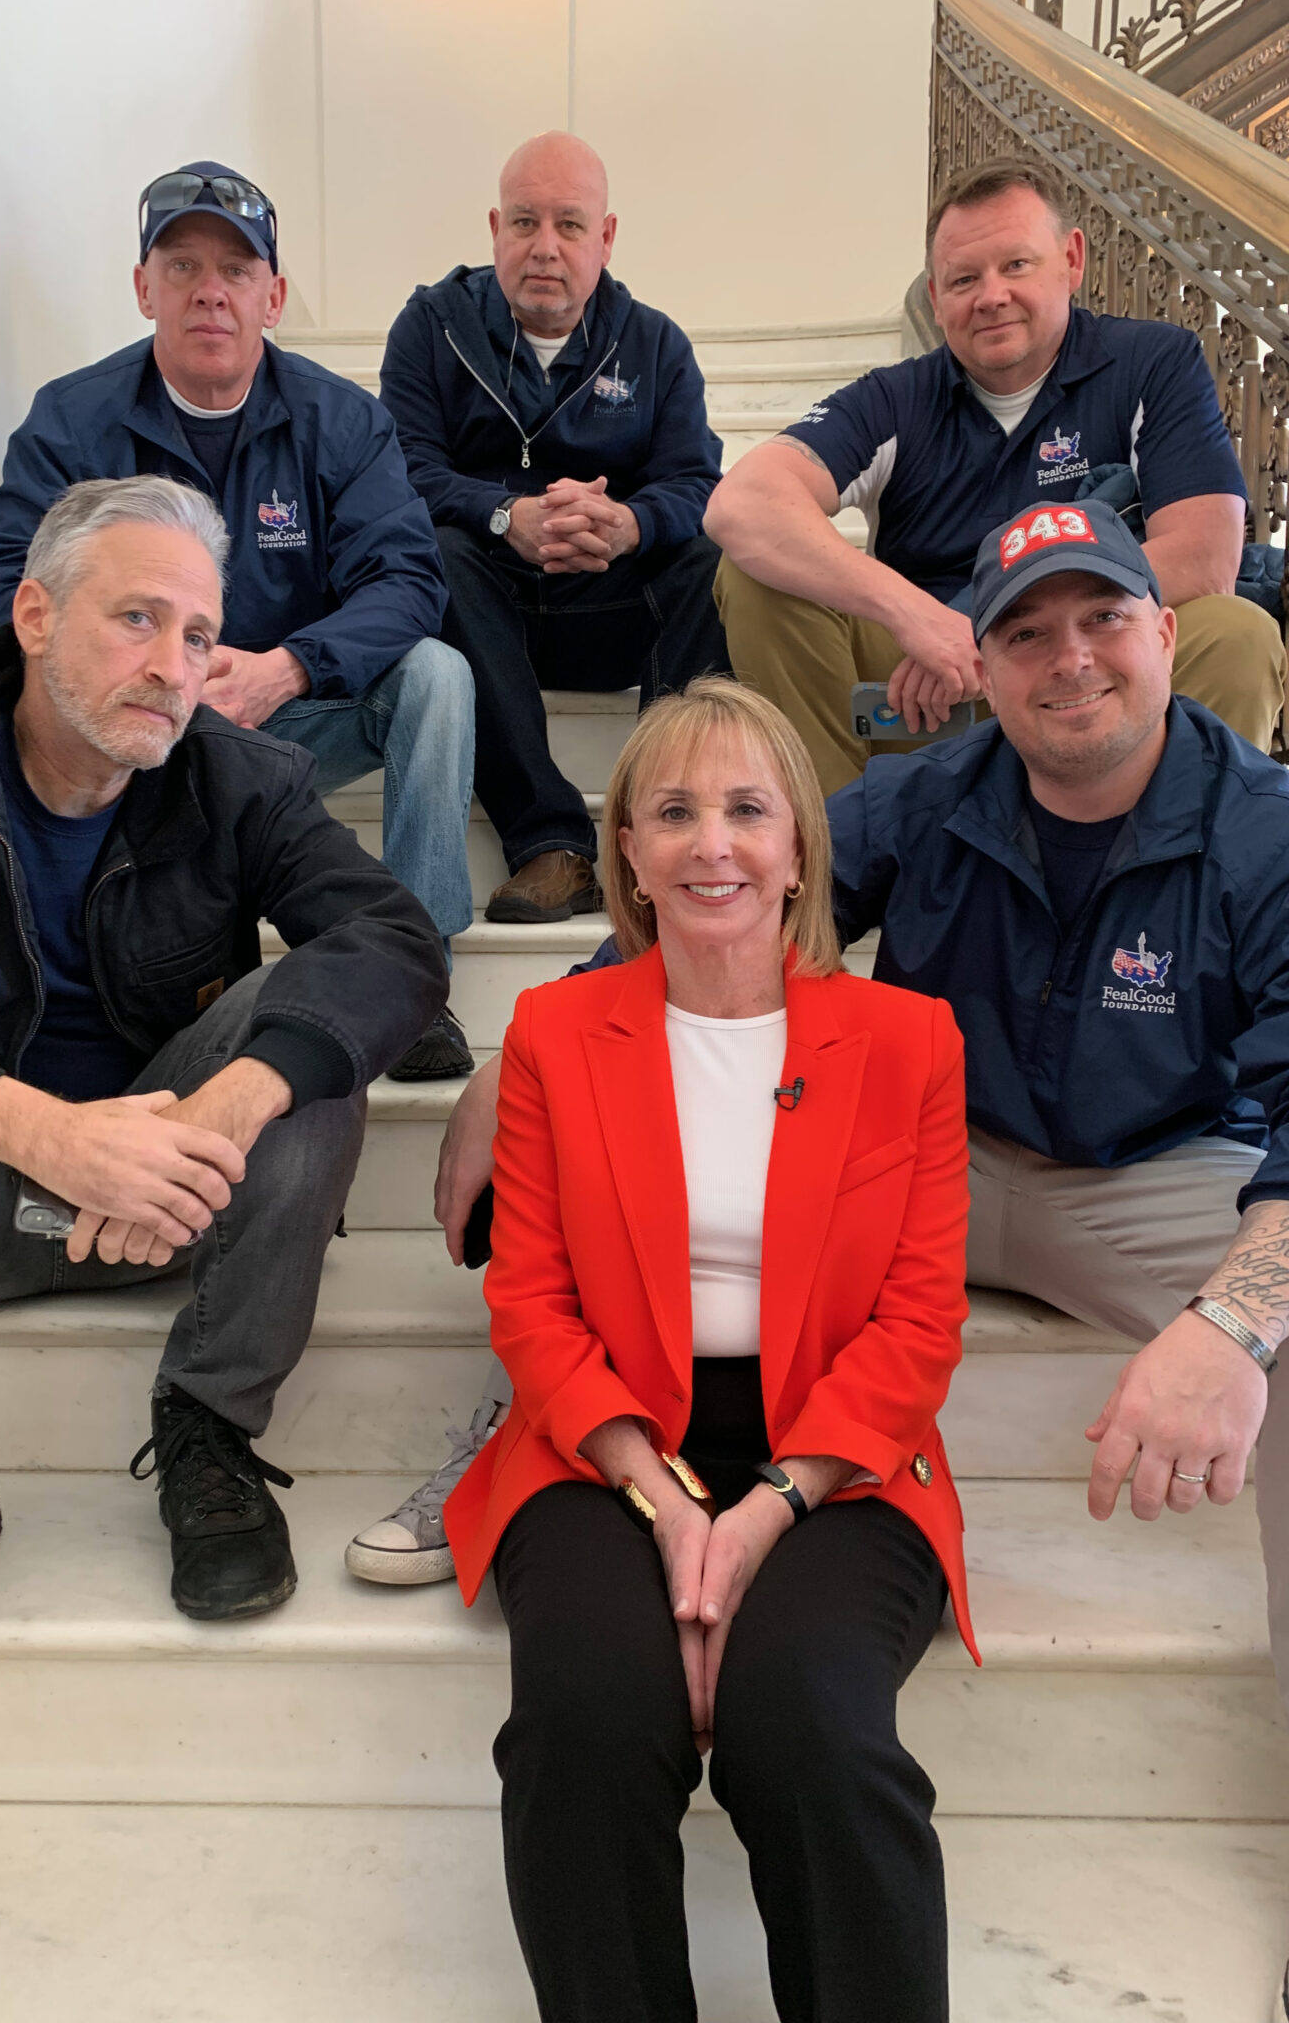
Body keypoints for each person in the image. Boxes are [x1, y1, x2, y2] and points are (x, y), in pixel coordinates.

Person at [351, 499, 1289, 1712]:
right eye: (1025, 635)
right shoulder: (944, 789)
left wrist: (1232, 1325)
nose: (1069, 661)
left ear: (1165, 631)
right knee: (608, 1185)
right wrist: (520, 1058)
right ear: (980, 667)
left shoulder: (1263, 830)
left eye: (1103, 618)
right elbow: (737, 886)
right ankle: (535, 1428)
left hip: (1138, 1182)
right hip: (918, 1165)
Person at [0, 477, 446, 1670]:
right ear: (32, 613)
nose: (174, 665)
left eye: (198, 635)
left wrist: (224, 1105)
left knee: (307, 1034)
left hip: (167, 1202)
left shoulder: (242, 773)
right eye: (137, 619)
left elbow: (396, 942)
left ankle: (209, 1426)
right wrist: (38, 1131)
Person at [438, 677, 974, 2023]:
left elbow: (919, 1322)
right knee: (585, 1725)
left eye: (748, 808)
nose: (712, 844)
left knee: (814, 1726)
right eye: (672, 812)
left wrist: (761, 1512)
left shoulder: (908, 1039)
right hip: (599, 1440)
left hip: (840, 1452)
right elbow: (533, 1300)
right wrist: (664, 1499)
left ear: (801, 847)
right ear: (626, 850)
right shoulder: (558, 1034)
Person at [0, 160, 475, 1080]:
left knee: (438, 674)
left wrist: (291, 665)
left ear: (273, 297)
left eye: (236, 272)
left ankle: (422, 972)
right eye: (184, 267)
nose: (211, 294)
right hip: (135, 728)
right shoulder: (72, 421)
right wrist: (128, 664)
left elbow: (407, 577)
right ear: (142, 288)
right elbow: (4, 579)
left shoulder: (344, 422)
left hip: (287, 716)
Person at [704, 157, 1285, 795]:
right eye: (963, 279)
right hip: (929, 687)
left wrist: (984, 624)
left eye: (1016, 265)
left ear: (1072, 260)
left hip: (1088, 655)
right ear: (935, 297)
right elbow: (743, 503)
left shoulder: (1154, 362)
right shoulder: (894, 398)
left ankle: (1180, 875)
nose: (991, 296)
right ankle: (841, 858)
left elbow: (1204, 557)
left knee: (1239, 634)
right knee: (753, 575)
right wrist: (916, 619)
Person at [379, 131, 729, 923]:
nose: (545, 247)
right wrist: (507, 516)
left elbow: (698, 485)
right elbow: (402, 471)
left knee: (712, 557)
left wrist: (629, 525)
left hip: (610, 610)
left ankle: (661, 826)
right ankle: (552, 846)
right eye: (525, 223)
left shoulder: (657, 344)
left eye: (569, 225)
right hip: (482, 609)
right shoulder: (429, 330)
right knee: (433, 548)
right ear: (494, 229)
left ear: (605, 238)